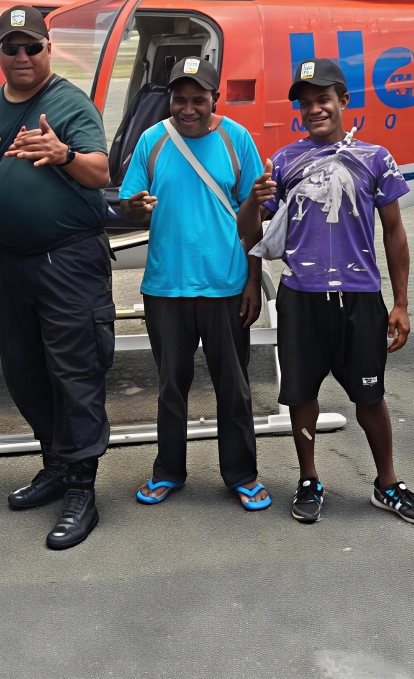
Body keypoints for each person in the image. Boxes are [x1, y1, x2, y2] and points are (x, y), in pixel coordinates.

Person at [237, 58, 414, 527]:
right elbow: (251, 231)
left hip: (359, 297)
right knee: (302, 394)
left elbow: (394, 231)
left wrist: (401, 303)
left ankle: (387, 483)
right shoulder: (282, 162)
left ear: (343, 101)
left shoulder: (375, 158)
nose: (314, 109)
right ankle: (309, 478)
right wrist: (251, 199)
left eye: (323, 100)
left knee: (370, 397)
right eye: (305, 104)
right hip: (300, 297)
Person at [0, 4, 114, 550]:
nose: (23, 56)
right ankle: (54, 462)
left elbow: (100, 172)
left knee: (75, 370)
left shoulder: (69, 104)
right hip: (9, 262)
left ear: (49, 49)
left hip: (66, 260)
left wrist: (63, 151)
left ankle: (82, 487)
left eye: (33, 46)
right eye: (12, 47)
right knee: (23, 369)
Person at [118, 57, 271, 510]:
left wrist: (252, 279)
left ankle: (242, 474)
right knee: (170, 386)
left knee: (234, 387)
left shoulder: (236, 139)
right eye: (179, 99)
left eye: (198, 99)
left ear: (213, 99)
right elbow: (127, 203)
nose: (188, 109)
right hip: (166, 286)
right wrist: (135, 207)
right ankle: (169, 470)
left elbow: (252, 219)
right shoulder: (152, 140)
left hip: (225, 285)